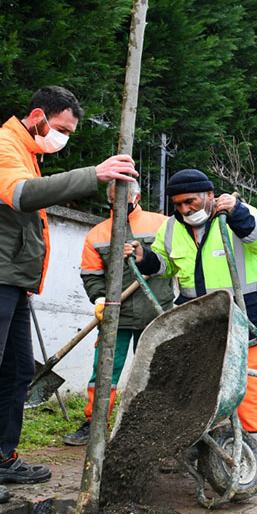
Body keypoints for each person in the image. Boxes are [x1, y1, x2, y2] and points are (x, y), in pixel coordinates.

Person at [0, 85, 138, 504]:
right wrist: (93, 175)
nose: (63, 138)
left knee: (16, 373)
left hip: (7, 280)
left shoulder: (26, 153)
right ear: (38, 116)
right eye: (61, 128)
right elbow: (22, 196)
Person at [127, 169, 257, 473]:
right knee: (196, 381)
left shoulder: (237, 212)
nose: (185, 209)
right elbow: (164, 264)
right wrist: (143, 257)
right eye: (178, 204)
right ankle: (195, 441)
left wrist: (238, 214)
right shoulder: (171, 228)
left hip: (245, 314)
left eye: (191, 201)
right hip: (199, 319)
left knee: (253, 382)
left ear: (210, 195)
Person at [61, 181, 174, 445]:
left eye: (123, 197)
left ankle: (153, 425)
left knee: (155, 372)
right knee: (104, 372)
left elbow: (175, 261)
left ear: (137, 196)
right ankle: (94, 423)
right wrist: (100, 298)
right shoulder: (98, 234)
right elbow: (91, 274)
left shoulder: (162, 225)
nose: (117, 203)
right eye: (113, 198)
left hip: (156, 314)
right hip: (116, 316)